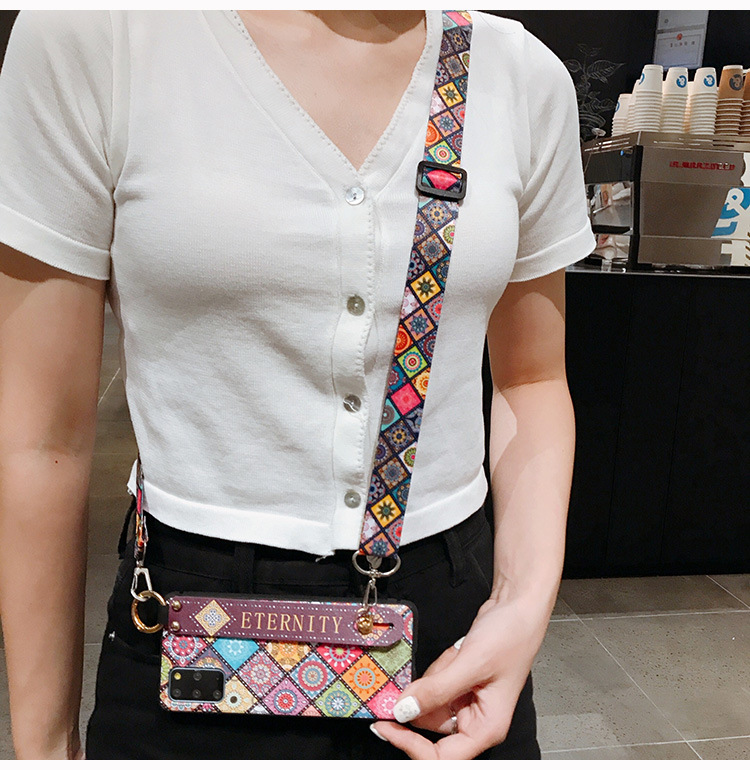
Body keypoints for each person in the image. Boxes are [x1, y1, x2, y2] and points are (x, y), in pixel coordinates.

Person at [0, 9, 595, 761]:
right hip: (187, 617)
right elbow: (41, 439)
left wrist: (521, 605)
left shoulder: (519, 74)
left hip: (449, 629)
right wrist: (42, 750)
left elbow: (532, 378)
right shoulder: (101, 34)